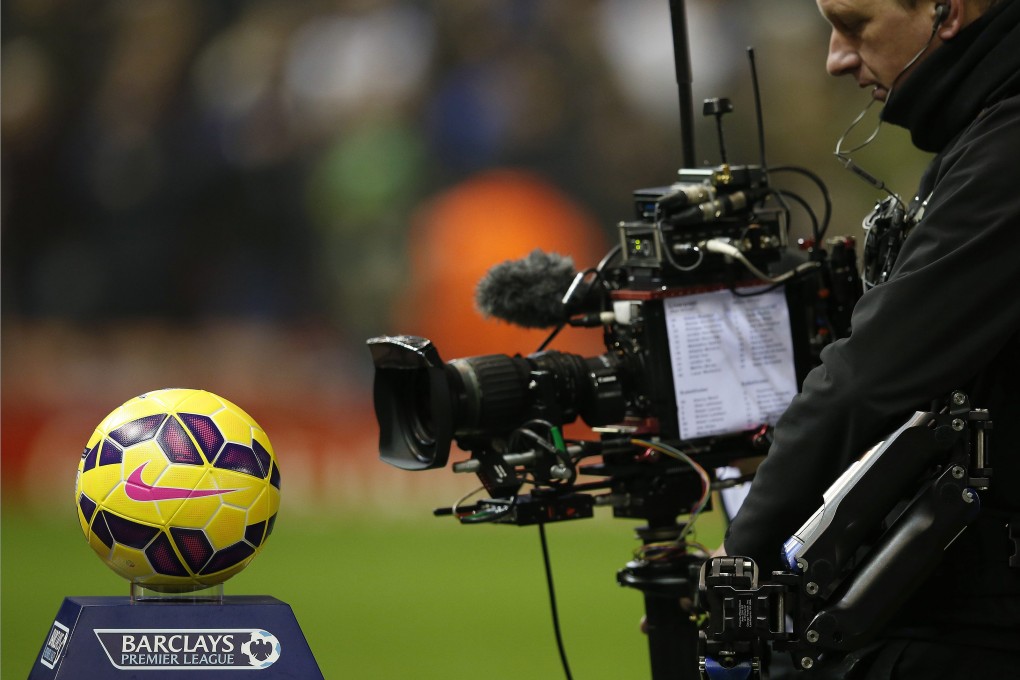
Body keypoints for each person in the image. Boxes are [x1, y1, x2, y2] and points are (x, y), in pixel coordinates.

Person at [719, 0, 1020, 676]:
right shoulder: (986, 133)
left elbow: (870, 378)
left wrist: (740, 557)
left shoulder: (1008, 147)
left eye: (855, 24)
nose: (836, 57)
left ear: (950, 12)